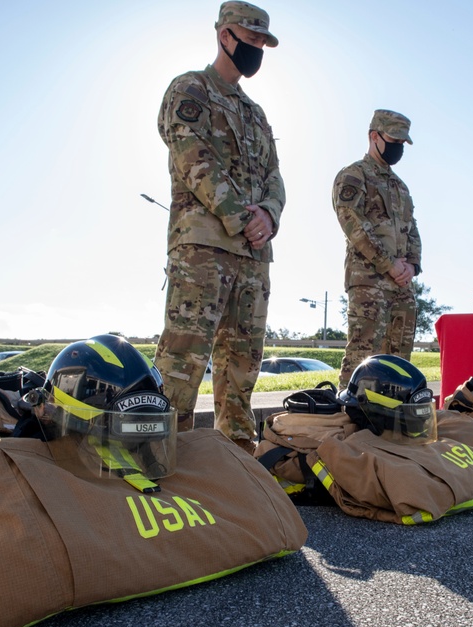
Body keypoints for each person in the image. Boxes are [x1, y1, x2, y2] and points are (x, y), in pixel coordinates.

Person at [154, 1, 285, 454]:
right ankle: (163, 463)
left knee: (242, 369)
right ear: (224, 35)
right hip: (203, 249)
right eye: (250, 39)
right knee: (182, 363)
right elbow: (192, 157)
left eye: (262, 43)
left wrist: (269, 214)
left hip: (253, 257)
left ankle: (238, 467)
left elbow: (274, 175)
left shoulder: (256, 113)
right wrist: (243, 218)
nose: (256, 49)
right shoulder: (190, 89)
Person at [333, 109, 422, 389]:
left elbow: (412, 228)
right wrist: (389, 264)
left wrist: (412, 265)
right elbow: (353, 223)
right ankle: (348, 412)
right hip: (368, 281)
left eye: (402, 143)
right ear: (374, 136)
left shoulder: (400, 187)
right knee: (363, 357)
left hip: (402, 285)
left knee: (399, 362)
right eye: (394, 141)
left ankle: (392, 412)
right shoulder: (354, 175)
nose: (398, 148)